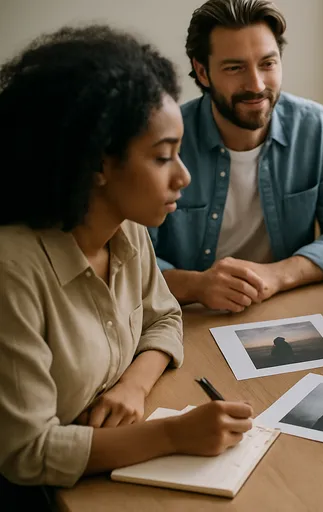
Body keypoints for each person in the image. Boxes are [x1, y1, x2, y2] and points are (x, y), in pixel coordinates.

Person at [0, 26, 256, 497]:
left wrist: (134, 385)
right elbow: (26, 453)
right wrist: (173, 434)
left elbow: (164, 316)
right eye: (162, 158)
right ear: (96, 165)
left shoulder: (127, 226)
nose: (183, 176)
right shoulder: (12, 271)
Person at [149, 0, 323, 313]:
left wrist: (277, 275)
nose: (256, 85)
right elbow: (129, 258)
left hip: (286, 305)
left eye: (267, 64)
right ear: (202, 71)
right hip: (188, 315)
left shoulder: (317, 128)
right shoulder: (164, 142)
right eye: (235, 68)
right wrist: (197, 285)